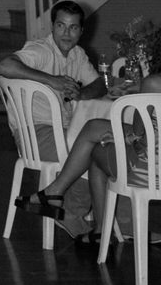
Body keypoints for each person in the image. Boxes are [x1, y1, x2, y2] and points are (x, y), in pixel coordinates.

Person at [0, 0, 106, 237]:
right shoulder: (40, 50)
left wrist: (83, 92)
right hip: (35, 133)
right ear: (52, 27)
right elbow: (5, 66)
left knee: (104, 148)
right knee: (98, 149)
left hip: (64, 131)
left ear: (81, 30)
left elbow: (99, 85)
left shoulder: (77, 54)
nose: (66, 33)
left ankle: (69, 206)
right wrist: (50, 79)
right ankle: (74, 214)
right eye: (61, 26)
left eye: (73, 27)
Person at [18, 73, 161, 248]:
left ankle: (97, 227)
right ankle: (56, 194)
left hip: (151, 166)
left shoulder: (154, 82)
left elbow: (139, 132)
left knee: (97, 149)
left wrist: (125, 137)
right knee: (94, 128)